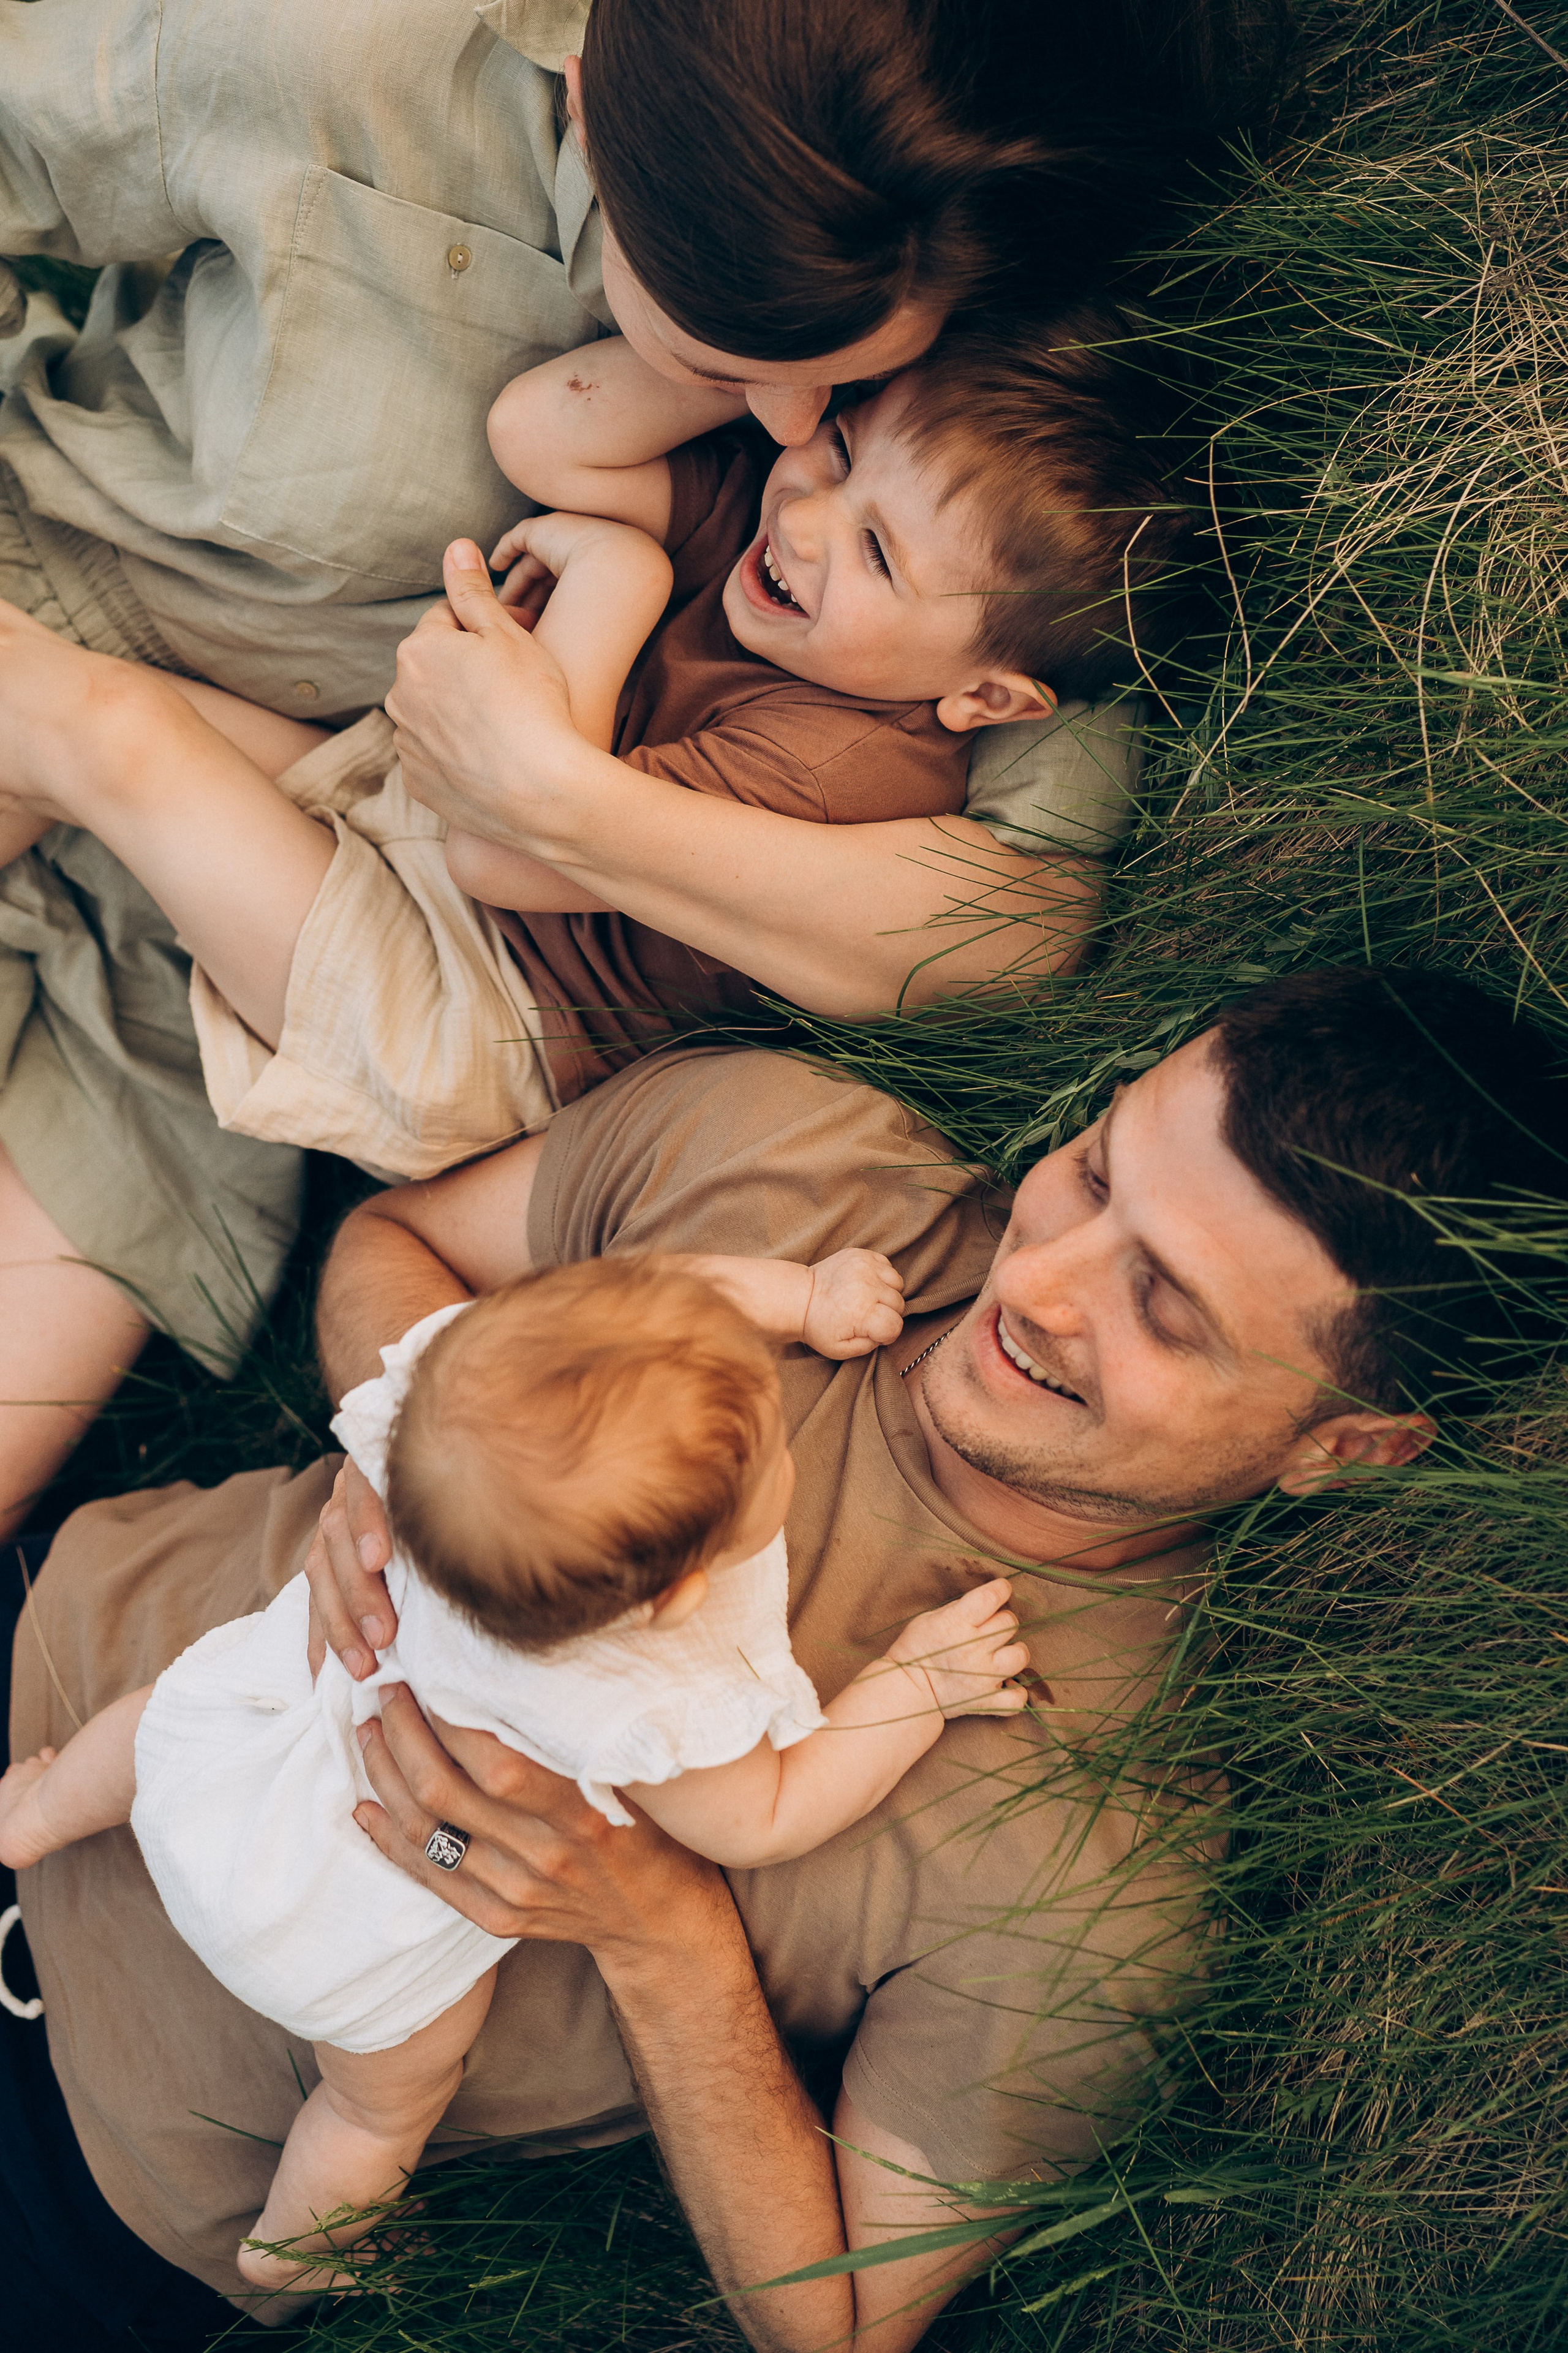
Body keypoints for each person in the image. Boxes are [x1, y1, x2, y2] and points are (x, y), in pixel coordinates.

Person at [10, 966, 1559, 2348]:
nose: (1035, 1281)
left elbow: (833, 2322)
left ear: (1344, 1447)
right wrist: (406, 1438)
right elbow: (396, 1237)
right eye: (1089, 1172)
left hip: (93, 2173)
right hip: (46, 1660)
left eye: (1160, 1306)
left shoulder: (1097, 1871)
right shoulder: (784, 1156)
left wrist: (659, 1935)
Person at [0, 0, 1283, 1533]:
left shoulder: (976, 420)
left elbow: (1006, 923)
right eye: (743, 367)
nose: (793, 438)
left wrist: (554, 792)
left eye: (849, 382)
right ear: (587, 81)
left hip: (268, 934)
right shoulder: (338, 59)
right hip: (84, 615)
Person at [1, 1253, 1026, 2292]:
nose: (776, 1397)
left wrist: (800, 1298)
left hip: (229, 1780)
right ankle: (293, 2246)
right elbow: (768, 1812)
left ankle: (37, 1810)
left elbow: (664, 1290)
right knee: (377, 2106)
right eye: (768, 1450)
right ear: (680, 1597)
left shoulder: (448, 1421)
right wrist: (918, 1684)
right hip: (352, 1949)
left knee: (160, 1724)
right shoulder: (636, 1690)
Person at [0, 309, 1197, 1175]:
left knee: (120, 735)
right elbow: (543, 434)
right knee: (86, 728)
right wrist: (805, 368)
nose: (810, 516)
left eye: (880, 551)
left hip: (460, 1010)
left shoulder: (849, 761)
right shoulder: (773, 546)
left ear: (986, 701)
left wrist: (617, 578)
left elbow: (504, 849)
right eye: (835, 452)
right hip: (407, 838)